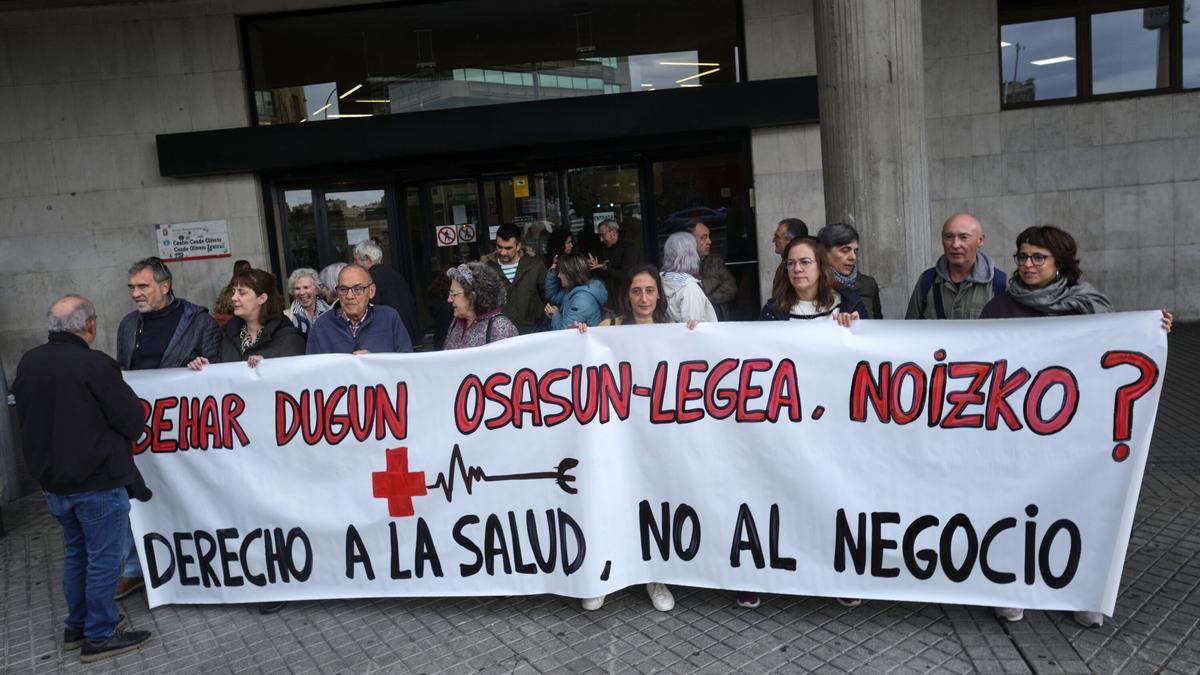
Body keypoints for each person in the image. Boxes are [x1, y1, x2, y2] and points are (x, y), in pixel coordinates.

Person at [982, 224, 1173, 628]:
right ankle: (1011, 586)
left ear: (1060, 262)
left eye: (1038, 257)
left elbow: (1119, 351)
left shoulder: (1089, 306)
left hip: (1076, 433)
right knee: (1015, 507)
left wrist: (1152, 331)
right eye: (1022, 256)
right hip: (1016, 431)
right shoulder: (1000, 308)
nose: (1028, 265)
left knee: (1076, 507)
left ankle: (1085, 590)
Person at [13, 296, 153, 662]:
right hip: (97, 482)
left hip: (54, 484)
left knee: (77, 553)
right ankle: (100, 634)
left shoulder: (29, 362)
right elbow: (132, 422)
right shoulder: (95, 364)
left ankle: (76, 627)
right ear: (89, 325)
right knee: (105, 559)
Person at [568, 265, 687, 613]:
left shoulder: (674, 331)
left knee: (652, 502)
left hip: (656, 438)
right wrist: (578, 336)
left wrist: (696, 337)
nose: (644, 298)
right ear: (627, 295)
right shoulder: (609, 329)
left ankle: (655, 575)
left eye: (650, 290)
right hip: (615, 437)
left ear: (659, 295)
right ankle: (603, 575)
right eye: (637, 291)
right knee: (611, 501)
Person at [115, 256, 219, 597]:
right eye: (132, 287)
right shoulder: (129, 325)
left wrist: (201, 367)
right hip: (142, 430)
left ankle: (199, 558)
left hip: (186, 431)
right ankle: (134, 568)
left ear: (165, 285)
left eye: (142, 286)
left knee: (186, 492)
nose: (135, 293)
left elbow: (218, 373)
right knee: (139, 494)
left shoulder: (199, 322)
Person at [187, 269, 306, 370]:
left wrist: (270, 366)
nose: (234, 298)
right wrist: (207, 368)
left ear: (262, 298)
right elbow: (221, 376)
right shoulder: (225, 335)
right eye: (234, 292)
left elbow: (297, 380)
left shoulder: (289, 338)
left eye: (242, 293)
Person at [906, 213, 1005, 320]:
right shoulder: (927, 280)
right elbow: (910, 330)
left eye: (963, 237)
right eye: (949, 237)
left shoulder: (998, 284)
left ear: (980, 240)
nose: (955, 245)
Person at [306, 264, 414, 354]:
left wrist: (376, 361)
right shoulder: (321, 326)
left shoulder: (389, 318)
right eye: (343, 289)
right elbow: (313, 372)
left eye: (357, 289)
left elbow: (405, 363)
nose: (349, 296)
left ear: (371, 291)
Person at [760, 236, 868, 322]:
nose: (797, 269)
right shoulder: (772, 312)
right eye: (790, 263)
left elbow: (867, 345)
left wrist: (855, 328)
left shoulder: (850, 304)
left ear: (821, 267)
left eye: (805, 262)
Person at [354, 239, 421, 348]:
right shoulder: (394, 274)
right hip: (408, 337)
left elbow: (370, 314)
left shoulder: (371, 280)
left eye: (356, 260)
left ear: (367, 259)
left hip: (390, 341)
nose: (354, 264)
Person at [483, 223, 548, 334]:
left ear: (518, 246)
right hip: (499, 336)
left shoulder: (535, 266)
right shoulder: (487, 269)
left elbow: (548, 297)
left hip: (532, 334)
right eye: (499, 247)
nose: (503, 252)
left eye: (508, 248)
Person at [444, 262, 520, 349]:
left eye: (454, 294)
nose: (449, 299)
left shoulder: (501, 328)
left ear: (472, 296)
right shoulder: (456, 322)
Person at [817, 222, 882, 320]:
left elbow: (878, 325)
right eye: (845, 250)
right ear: (825, 252)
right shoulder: (814, 285)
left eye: (855, 251)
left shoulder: (868, 284)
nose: (853, 257)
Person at [660, 231, 719, 323]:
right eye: (695, 251)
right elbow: (692, 328)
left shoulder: (658, 282)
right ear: (690, 256)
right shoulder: (689, 288)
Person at [543, 253, 608, 329]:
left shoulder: (582, 300)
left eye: (561, 272)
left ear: (571, 274)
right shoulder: (574, 289)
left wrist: (555, 315)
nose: (558, 275)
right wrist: (553, 271)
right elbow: (552, 295)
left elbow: (565, 332)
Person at [690, 220, 738, 320]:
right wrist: (715, 283)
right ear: (690, 241)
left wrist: (705, 300)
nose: (709, 241)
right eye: (703, 238)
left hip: (720, 319)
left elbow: (731, 288)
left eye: (709, 237)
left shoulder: (715, 261)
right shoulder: (680, 266)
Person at [591, 219, 641, 308]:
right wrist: (596, 267)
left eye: (602, 235)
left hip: (626, 298)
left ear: (613, 232)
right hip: (610, 298)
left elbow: (627, 277)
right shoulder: (602, 247)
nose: (601, 239)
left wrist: (606, 268)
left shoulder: (629, 247)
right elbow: (602, 273)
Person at [283, 267, 331, 335]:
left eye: (306, 287)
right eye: (297, 288)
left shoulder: (331, 312)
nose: (302, 292)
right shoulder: (286, 317)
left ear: (316, 289)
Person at [770, 218, 810, 293]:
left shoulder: (804, 267)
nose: (773, 240)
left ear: (790, 241)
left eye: (777, 237)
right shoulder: (785, 263)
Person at [212, 259, 252, 327]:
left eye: (249, 269)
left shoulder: (251, 287)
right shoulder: (229, 291)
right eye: (245, 269)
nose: (248, 271)